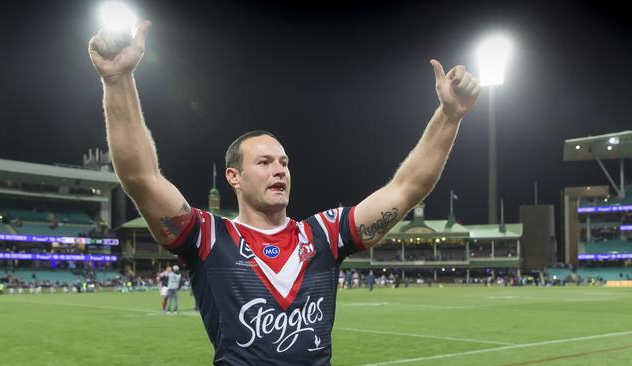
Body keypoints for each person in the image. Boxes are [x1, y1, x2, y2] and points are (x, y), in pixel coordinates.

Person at [89, 20, 479, 365]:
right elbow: (141, 177)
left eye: (284, 162)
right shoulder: (209, 237)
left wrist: (448, 116)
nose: (279, 169)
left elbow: (407, 188)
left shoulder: (323, 235)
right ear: (234, 177)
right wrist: (117, 80)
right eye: (264, 162)